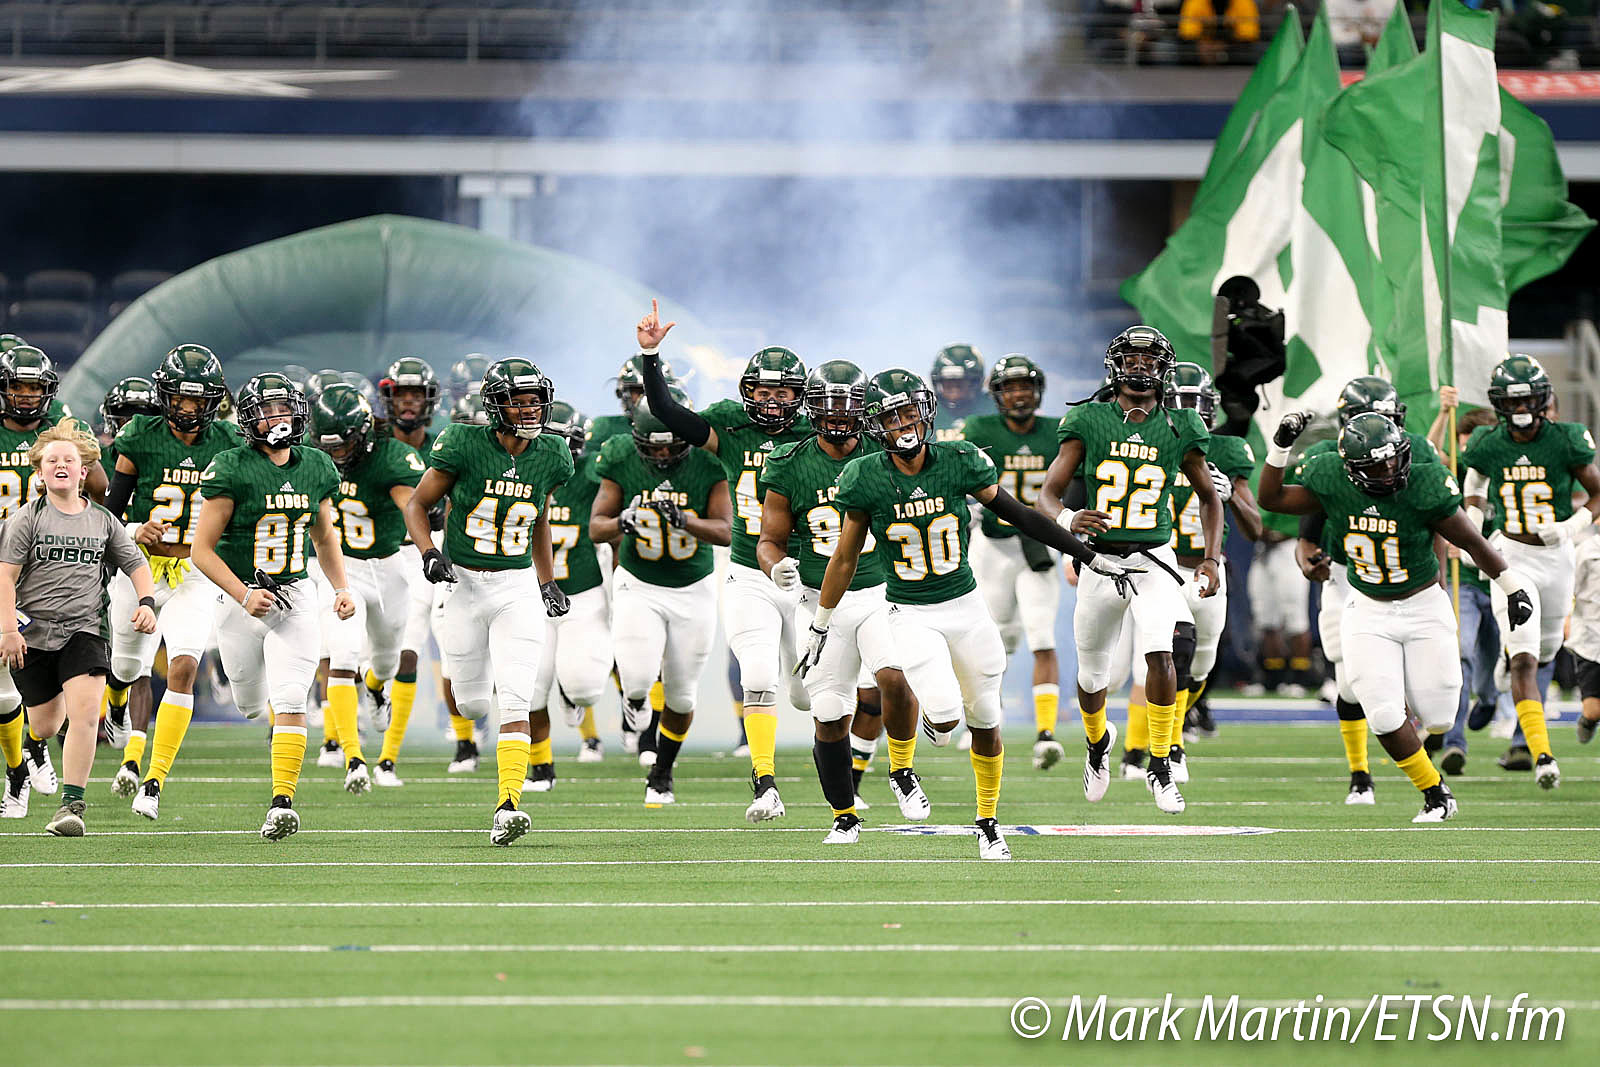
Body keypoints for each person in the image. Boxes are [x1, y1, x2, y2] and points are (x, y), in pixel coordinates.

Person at [806, 367, 1132, 860]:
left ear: (926, 411)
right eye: (892, 418)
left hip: (967, 606)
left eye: (910, 412)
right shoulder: (865, 474)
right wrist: (821, 623)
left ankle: (987, 822)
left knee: (986, 718)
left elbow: (1021, 514)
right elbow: (845, 558)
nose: (904, 426)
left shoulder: (958, 460)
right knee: (943, 715)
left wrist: (1086, 555)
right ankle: (905, 765)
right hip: (910, 611)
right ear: (875, 424)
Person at [1259, 410, 1534, 822]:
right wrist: (1280, 447)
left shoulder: (1423, 484)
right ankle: (1435, 793)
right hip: (1367, 608)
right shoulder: (1332, 477)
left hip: (1425, 606)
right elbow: (1272, 499)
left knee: (1440, 716)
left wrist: (1513, 587)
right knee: (1384, 714)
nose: (1389, 469)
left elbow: (1474, 542)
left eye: (1394, 458)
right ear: (1352, 469)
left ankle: (1406, 683)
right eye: (1378, 464)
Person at [634, 302, 813, 821]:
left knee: (807, 694)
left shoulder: (817, 432)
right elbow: (668, 414)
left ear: (800, 397)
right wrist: (651, 356)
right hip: (745, 569)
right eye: (765, 391)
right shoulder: (731, 426)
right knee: (758, 672)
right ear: (747, 393)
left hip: (806, 572)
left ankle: (849, 776)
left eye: (784, 392)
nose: (774, 401)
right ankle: (764, 784)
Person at [1036, 326, 1224, 815]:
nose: (1140, 366)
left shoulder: (1183, 424)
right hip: (1099, 561)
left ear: (1163, 369)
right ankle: (1098, 744)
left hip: (1152, 560)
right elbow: (1047, 493)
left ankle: (1160, 761)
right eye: (1132, 358)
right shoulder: (1089, 418)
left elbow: (1209, 497)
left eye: (1149, 359)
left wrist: (1210, 555)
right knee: (1094, 675)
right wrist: (1068, 519)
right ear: (1115, 365)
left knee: (1162, 653)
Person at [404, 357, 573, 846]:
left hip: (515, 586)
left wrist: (546, 580)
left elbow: (537, 517)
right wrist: (428, 551)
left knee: (517, 695)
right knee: (472, 702)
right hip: (462, 584)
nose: (529, 410)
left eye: (535, 401)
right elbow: (418, 504)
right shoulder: (461, 443)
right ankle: (475, 738)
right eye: (518, 402)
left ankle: (508, 805)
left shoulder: (553, 453)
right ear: (495, 405)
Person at [756, 360, 928, 842]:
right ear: (811, 407)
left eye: (848, 404)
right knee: (829, 713)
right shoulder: (790, 462)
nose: (837, 416)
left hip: (881, 592)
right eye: (828, 405)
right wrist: (775, 566)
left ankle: (901, 770)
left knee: (893, 677)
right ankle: (843, 814)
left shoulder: (884, 450)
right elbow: (768, 539)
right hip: (818, 601)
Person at [190, 371, 356, 841]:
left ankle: (282, 801)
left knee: (290, 698)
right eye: (267, 410)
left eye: (284, 408)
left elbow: (324, 534)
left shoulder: (317, 466)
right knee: (248, 702)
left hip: (295, 594)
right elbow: (202, 550)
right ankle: (239, 681)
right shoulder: (232, 466)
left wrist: (340, 587)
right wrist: (244, 595)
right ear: (249, 419)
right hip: (239, 595)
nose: (277, 418)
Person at [97, 345, 239, 819]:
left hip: (196, 573)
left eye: (200, 401)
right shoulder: (139, 436)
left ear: (215, 401)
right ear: (165, 395)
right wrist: (136, 531)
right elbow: (111, 512)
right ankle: (116, 707)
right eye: (181, 398)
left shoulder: (230, 442)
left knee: (183, 665)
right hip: (139, 566)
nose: (190, 409)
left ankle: (154, 780)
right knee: (125, 664)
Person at [1286, 375, 1440, 803]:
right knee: (1349, 680)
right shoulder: (1325, 460)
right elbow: (1307, 535)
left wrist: (1438, 578)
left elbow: (1442, 521)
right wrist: (1308, 561)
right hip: (1347, 577)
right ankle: (1360, 773)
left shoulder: (1420, 453)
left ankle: (1418, 732)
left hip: (1409, 581)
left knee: (1422, 678)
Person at [0, 422, 158, 833]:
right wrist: (7, 631)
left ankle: (72, 806)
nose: (61, 466)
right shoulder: (25, 520)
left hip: (85, 630)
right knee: (48, 723)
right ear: (40, 472)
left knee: (86, 714)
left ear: (84, 471)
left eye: (69, 460)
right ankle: (35, 743)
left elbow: (136, 563)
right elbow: (5, 578)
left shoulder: (104, 521)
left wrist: (146, 602)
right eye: (52, 460)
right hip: (31, 634)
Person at [1115, 362, 1261, 781]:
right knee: (1163, 656)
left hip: (1208, 568)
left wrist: (1231, 495)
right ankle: (1157, 749)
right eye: (1183, 403)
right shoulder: (1149, 441)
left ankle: (1159, 742)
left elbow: (1255, 528)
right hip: (1160, 565)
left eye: (1198, 404)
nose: (1192, 413)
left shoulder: (1229, 450)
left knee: (1198, 666)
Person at [1461, 354, 1599, 790]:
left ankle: (1507, 656)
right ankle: (1542, 755)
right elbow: (1476, 485)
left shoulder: (1566, 440)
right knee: (1525, 658)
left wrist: (1571, 526)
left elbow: (1597, 493)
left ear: (1542, 400)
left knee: (1544, 651)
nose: (1520, 410)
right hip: (1509, 556)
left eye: (1527, 400)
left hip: (1556, 557)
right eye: (1512, 401)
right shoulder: (1487, 441)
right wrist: (1473, 524)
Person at [589, 388, 731, 808]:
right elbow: (596, 527)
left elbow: (726, 530)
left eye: (672, 449)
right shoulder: (620, 457)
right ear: (638, 438)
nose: (664, 459)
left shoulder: (708, 461)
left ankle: (661, 772)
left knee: (682, 696)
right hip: (640, 583)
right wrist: (622, 521)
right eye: (654, 448)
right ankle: (634, 702)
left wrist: (687, 520)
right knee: (636, 679)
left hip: (693, 587)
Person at [0, 345, 107, 814]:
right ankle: (21, 765)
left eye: (34, 388)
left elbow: (99, 486)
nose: (25, 397)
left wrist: (75, 450)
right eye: (17, 387)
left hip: (37, 570)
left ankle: (24, 762)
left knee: (19, 689)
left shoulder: (59, 432)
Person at [307, 383, 425, 788]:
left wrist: (430, 547)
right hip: (342, 570)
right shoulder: (311, 458)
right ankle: (354, 759)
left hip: (389, 567)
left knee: (387, 663)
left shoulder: (391, 456)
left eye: (344, 446)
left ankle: (375, 687)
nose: (337, 455)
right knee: (341, 656)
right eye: (330, 447)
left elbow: (413, 507)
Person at [959, 354, 1070, 771]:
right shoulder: (979, 429)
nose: (1019, 395)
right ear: (997, 394)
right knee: (992, 638)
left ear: (1038, 391)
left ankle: (1045, 732)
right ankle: (986, 721)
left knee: (1042, 636)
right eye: (1010, 387)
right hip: (993, 544)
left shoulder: (1059, 431)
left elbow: (1074, 485)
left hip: (1039, 545)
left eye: (1025, 386)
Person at [375, 356, 470, 774]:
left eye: (417, 394)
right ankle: (388, 755)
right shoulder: (373, 446)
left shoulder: (445, 444)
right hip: (389, 556)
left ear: (429, 399)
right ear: (388, 399)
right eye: (402, 395)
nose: (409, 403)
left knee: (452, 648)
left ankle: (465, 741)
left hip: (442, 549)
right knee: (404, 653)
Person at [526, 400, 614, 783]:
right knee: (526, 689)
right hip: (529, 595)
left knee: (583, 689)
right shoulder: (518, 474)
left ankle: (570, 686)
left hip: (581, 592)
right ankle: (541, 766)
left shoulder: (594, 476)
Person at [929, 344, 986, 442]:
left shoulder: (993, 408)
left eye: (960, 382)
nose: (954, 389)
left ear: (975, 382)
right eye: (948, 381)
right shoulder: (926, 411)